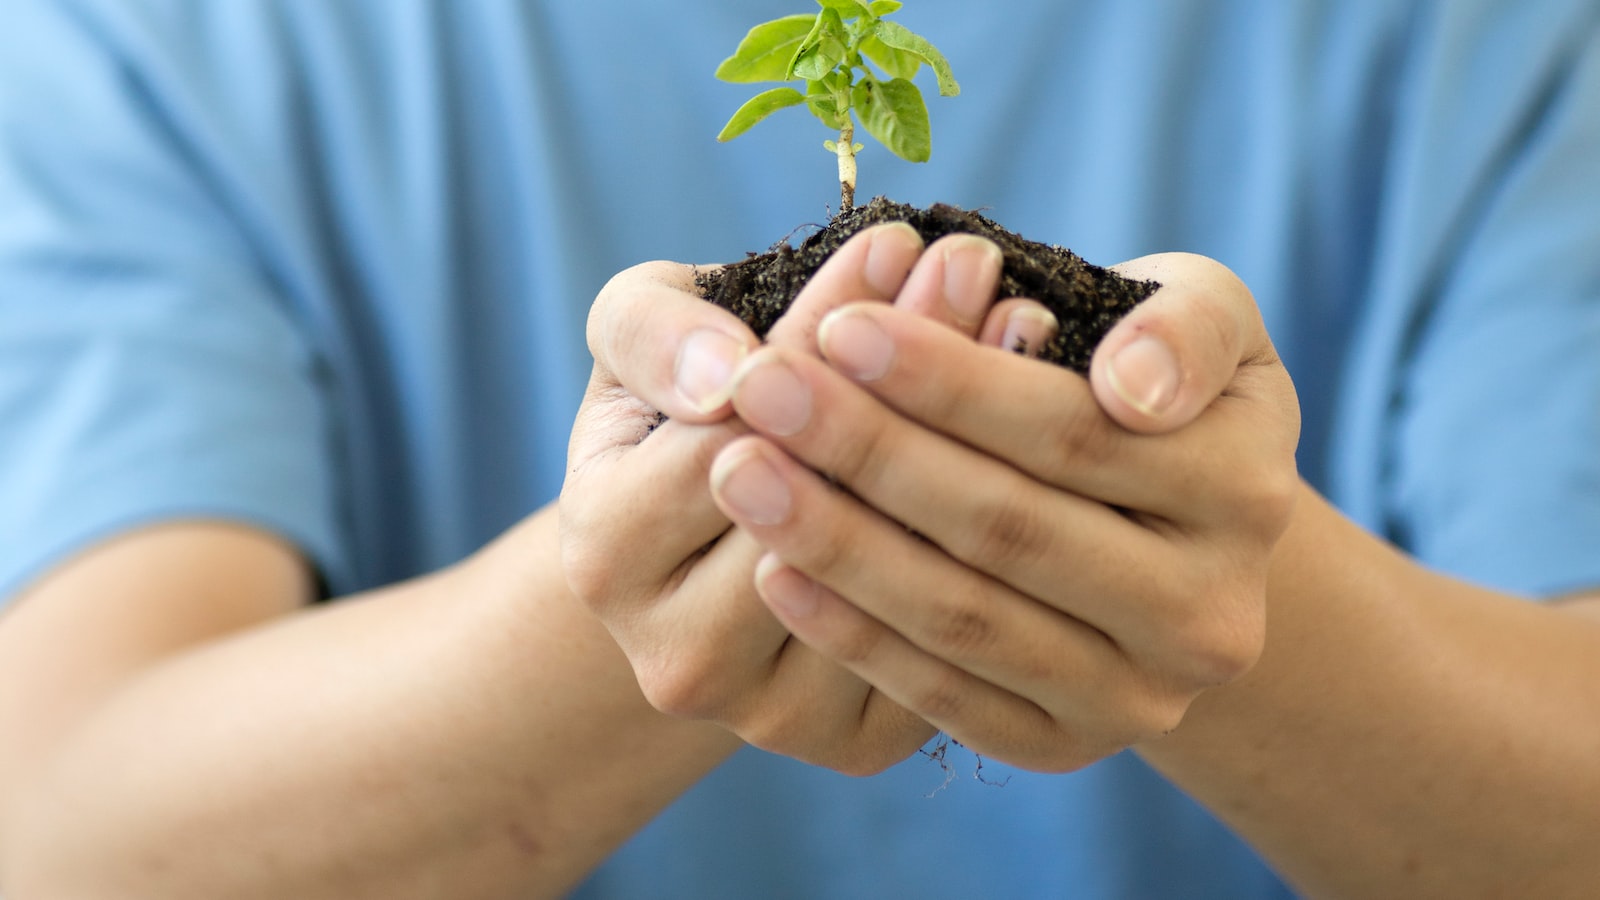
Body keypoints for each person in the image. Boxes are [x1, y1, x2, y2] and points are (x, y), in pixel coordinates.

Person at [1, 1, 1597, 897]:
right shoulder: (151, 40)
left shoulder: (1491, 37)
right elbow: (63, 825)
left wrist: (1212, 567)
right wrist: (636, 571)